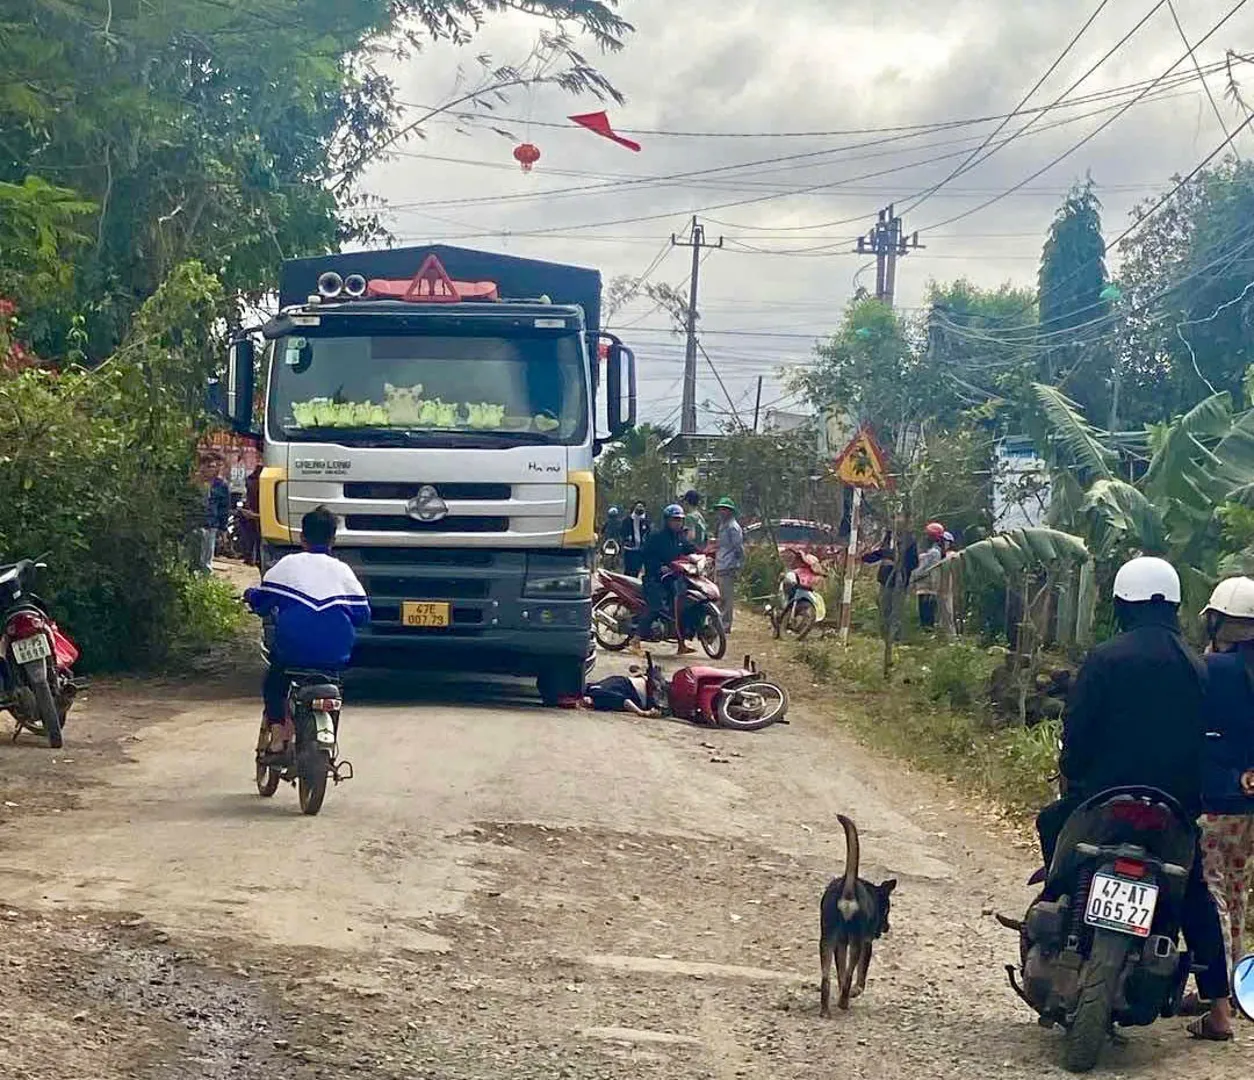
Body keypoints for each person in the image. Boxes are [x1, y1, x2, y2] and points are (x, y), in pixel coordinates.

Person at [1035, 556, 1232, 1041]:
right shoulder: (1196, 666)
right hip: (1172, 808)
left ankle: (1050, 915)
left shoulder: (1105, 657)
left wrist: (1075, 777)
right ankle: (1221, 1008)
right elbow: (1205, 742)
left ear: (1123, 603)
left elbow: (1077, 734)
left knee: (1049, 826)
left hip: (1103, 801)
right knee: (1194, 895)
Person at [244, 507, 370, 754]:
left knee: (274, 683)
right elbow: (362, 616)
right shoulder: (344, 572)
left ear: (302, 537)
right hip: (334, 657)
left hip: (293, 653)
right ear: (333, 539)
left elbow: (262, 603)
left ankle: (279, 732)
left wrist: (250, 595)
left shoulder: (287, 566)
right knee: (336, 683)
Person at [1196, 577, 1254, 1001]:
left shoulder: (1212, 669)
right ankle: (1236, 984)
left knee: (1209, 888)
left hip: (1213, 797)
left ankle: (1213, 991)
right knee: (1237, 889)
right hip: (1248, 804)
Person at [637, 503, 698, 654]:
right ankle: (635, 640)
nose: (677, 523)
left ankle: (681, 644)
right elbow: (646, 555)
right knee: (656, 607)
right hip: (654, 580)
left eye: (679, 520)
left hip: (672, 579)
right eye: (674, 520)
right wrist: (659, 567)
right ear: (667, 520)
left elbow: (690, 549)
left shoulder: (680, 537)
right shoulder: (656, 537)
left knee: (679, 607)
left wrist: (701, 555)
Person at [713, 497, 744, 633]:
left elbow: (738, 548)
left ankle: (725, 625)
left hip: (728, 565)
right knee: (720, 596)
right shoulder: (722, 525)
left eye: (724, 509)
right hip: (720, 563)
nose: (721, 512)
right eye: (720, 509)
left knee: (727, 597)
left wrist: (737, 565)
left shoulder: (733, 528)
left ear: (730, 512)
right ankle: (719, 622)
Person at [198, 457, 232, 574]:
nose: (214, 469)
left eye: (215, 466)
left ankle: (204, 582)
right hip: (194, 523)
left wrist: (223, 529)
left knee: (206, 558)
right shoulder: (196, 482)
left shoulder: (221, 485)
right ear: (202, 467)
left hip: (210, 524)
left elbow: (224, 509)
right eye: (210, 466)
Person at [583, 664, 661, 715]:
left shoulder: (598, 692)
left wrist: (641, 712)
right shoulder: (595, 688)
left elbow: (625, 701)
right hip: (642, 687)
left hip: (643, 692)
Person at [913, 521, 946, 630]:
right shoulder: (935, 551)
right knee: (927, 613)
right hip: (926, 586)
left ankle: (927, 633)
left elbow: (923, 568)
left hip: (927, 586)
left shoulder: (933, 553)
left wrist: (914, 576)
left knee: (926, 614)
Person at [239, 462, 263, 567]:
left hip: (257, 515)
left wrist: (255, 515)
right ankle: (250, 556)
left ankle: (252, 557)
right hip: (253, 515)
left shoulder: (255, 482)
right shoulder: (253, 481)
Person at [623, 500, 651, 577]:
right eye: (638, 507)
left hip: (642, 549)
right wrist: (626, 540)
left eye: (641, 507)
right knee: (629, 571)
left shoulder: (646, 520)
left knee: (638, 570)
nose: (640, 508)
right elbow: (623, 532)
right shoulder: (627, 520)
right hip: (630, 550)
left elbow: (649, 533)